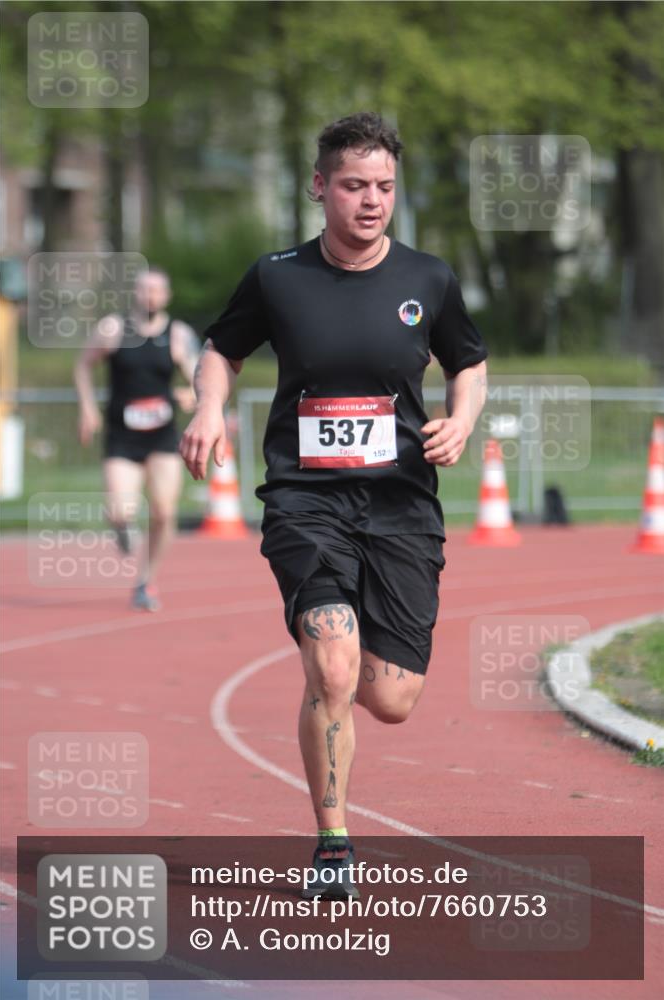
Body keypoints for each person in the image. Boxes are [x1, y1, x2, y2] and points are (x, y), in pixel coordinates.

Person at [180, 112, 488, 897]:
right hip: (304, 500)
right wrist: (209, 407)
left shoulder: (428, 279)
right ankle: (334, 845)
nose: (370, 201)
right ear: (320, 187)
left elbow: (469, 363)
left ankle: (337, 695)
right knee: (333, 662)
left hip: (400, 505)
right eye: (353, 185)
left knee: (389, 699)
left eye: (384, 186)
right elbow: (220, 351)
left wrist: (461, 418)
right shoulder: (277, 275)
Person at [75, 267, 199, 611]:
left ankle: (146, 580)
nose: (151, 296)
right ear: (135, 293)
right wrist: (87, 408)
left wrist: (192, 394)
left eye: (157, 290)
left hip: (162, 438)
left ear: (167, 296)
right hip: (122, 438)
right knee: (120, 510)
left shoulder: (177, 334)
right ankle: (121, 525)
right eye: (145, 290)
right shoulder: (114, 329)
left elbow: (198, 377)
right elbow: (83, 365)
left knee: (163, 512)